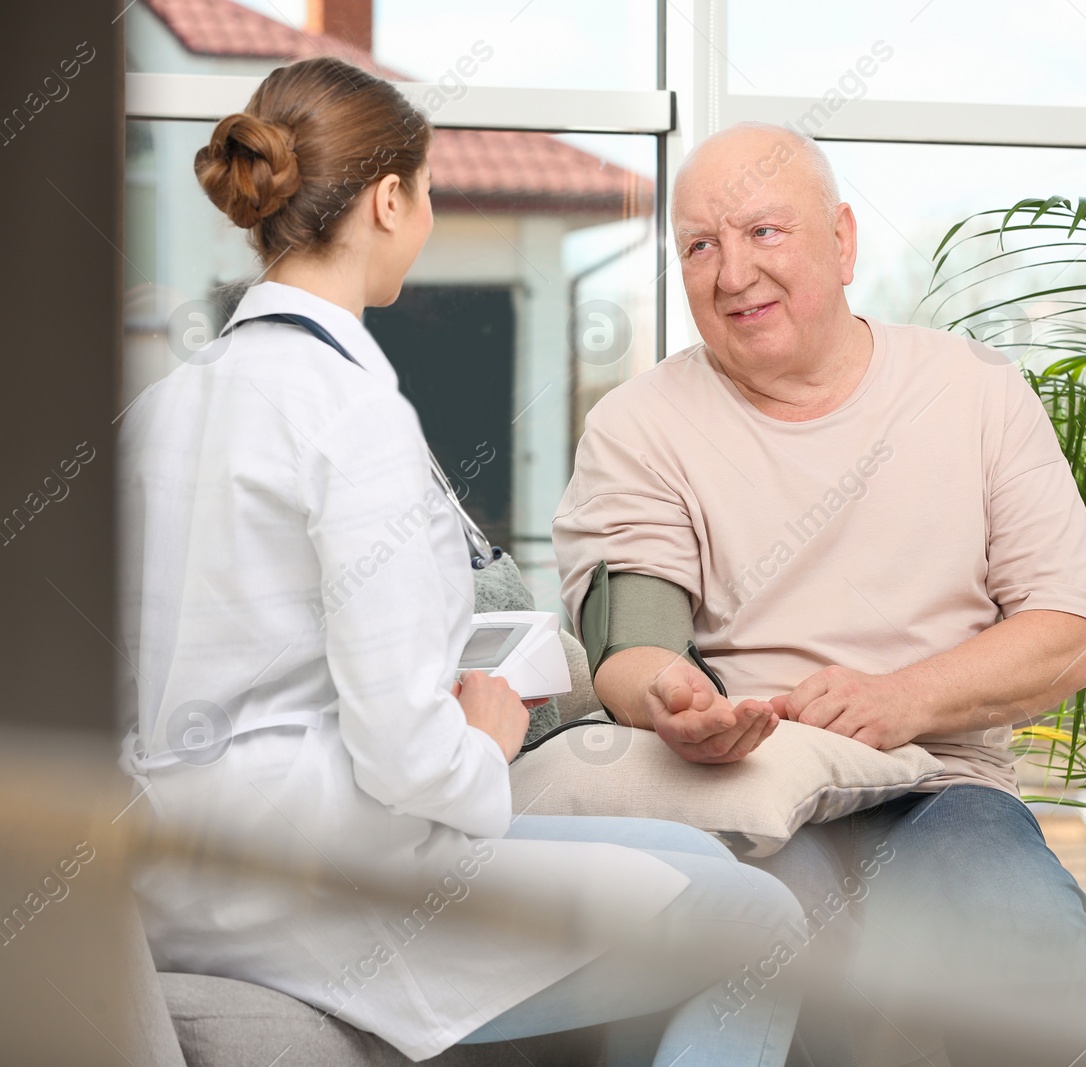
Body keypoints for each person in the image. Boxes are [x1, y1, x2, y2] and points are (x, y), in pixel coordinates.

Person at [118, 59, 800, 1067]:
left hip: (173, 871)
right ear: (388, 200)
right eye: (428, 189)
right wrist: (481, 734)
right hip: (322, 882)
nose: (428, 213)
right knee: (766, 927)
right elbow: (405, 754)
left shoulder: (161, 407)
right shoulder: (352, 415)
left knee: (691, 859)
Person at [552, 121, 1086, 1065]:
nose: (733, 273)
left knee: (1012, 924)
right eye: (701, 245)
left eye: (765, 232)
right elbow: (633, 640)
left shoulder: (975, 391)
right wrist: (673, 700)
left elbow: (1070, 634)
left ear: (844, 240)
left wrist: (901, 699)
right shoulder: (638, 425)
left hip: (942, 787)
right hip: (754, 792)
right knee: (787, 951)